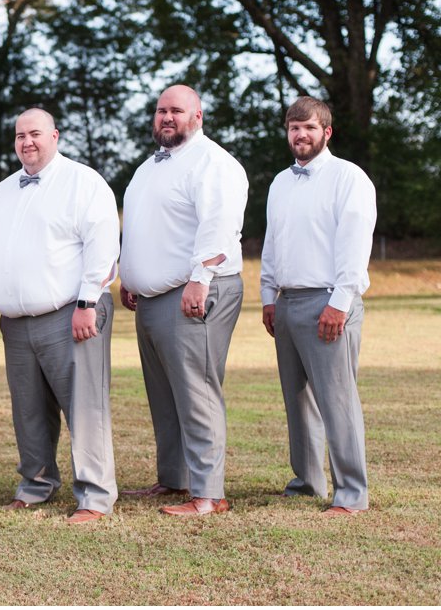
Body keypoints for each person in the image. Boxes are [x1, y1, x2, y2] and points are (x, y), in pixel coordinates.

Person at [0, 108, 120, 524]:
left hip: (70, 313)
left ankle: (95, 496)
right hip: (16, 322)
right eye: (20, 135)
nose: (27, 142)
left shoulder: (83, 182)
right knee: (29, 409)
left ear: (54, 136)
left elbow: (102, 245)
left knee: (84, 406)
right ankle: (36, 484)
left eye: (35, 134)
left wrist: (87, 302)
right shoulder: (4, 190)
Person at [119, 85, 248, 517]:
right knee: (164, 395)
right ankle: (175, 478)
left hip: (193, 292)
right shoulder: (150, 167)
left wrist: (200, 279)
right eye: (161, 110)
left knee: (197, 392)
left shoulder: (213, 162)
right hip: (152, 298)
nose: (167, 117)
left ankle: (209, 494)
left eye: (177, 110)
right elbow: (145, 227)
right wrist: (131, 275)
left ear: (198, 116)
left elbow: (219, 227)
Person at [260, 95, 376, 516]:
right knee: (298, 401)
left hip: (329, 300)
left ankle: (351, 493)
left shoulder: (349, 178)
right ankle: (307, 482)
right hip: (288, 302)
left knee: (337, 400)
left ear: (326, 132)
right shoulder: (280, 182)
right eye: (294, 127)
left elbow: (355, 244)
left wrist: (340, 303)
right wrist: (268, 296)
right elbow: (273, 242)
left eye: (309, 127)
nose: (301, 134)